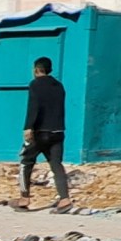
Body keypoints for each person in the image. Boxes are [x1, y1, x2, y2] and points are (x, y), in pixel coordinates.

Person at [20, 57, 70, 205]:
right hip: (58, 131)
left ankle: (24, 197)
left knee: (26, 161)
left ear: (36, 69)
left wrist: (28, 127)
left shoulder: (35, 85)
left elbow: (34, 106)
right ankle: (64, 198)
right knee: (56, 164)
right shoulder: (59, 86)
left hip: (40, 132)